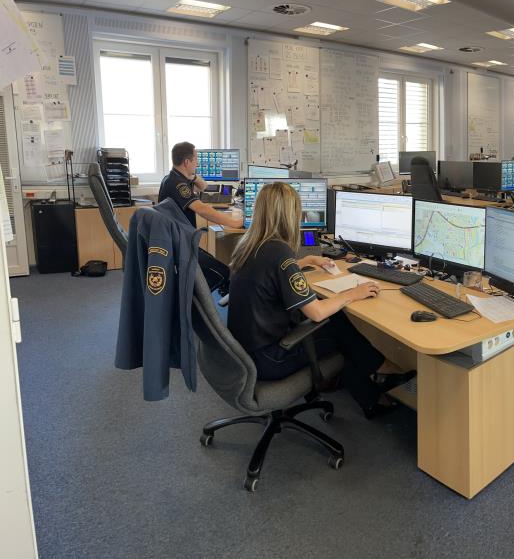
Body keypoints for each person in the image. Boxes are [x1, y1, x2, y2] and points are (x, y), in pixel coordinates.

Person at [227, 182, 408, 418]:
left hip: (243, 352)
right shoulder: (279, 252)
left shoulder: (249, 244)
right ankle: (380, 372)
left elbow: (268, 271)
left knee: (338, 323)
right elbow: (317, 312)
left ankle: (373, 391)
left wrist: (304, 262)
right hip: (269, 360)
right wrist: (354, 293)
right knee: (338, 326)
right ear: (289, 215)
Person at [160, 142, 243, 293]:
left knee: (219, 268)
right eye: (196, 160)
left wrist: (192, 175)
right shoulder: (178, 184)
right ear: (187, 162)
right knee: (223, 272)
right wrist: (234, 223)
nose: (198, 163)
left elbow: (203, 186)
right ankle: (191, 299)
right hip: (180, 247)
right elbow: (202, 209)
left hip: (178, 241)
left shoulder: (173, 177)